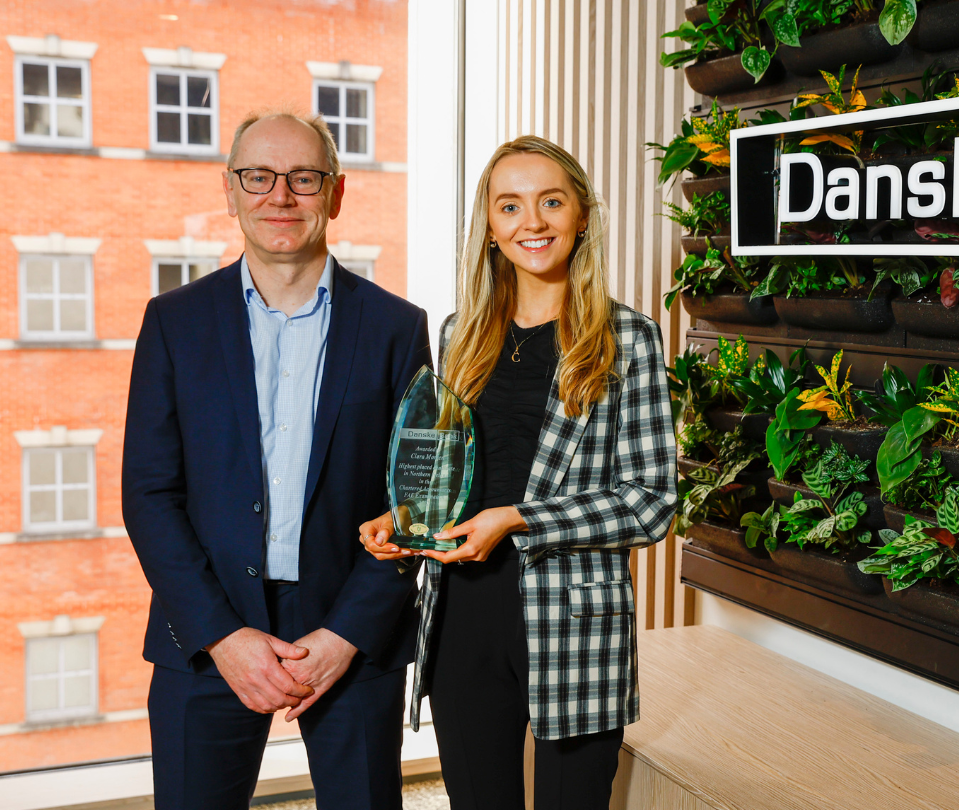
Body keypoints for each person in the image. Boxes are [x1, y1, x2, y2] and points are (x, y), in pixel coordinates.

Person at [122, 111, 430, 810]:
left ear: (336, 193)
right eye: (257, 177)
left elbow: (415, 503)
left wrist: (347, 633)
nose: (279, 197)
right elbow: (148, 493)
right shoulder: (173, 322)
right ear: (230, 191)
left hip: (349, 627)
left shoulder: (396, 328)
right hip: (206, 628)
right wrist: (224, 638)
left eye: (303, 178)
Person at [359, 135, 677, 810]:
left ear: (582, 215)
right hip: (461, 620)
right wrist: (407, 515)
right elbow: (451, 472)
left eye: (550, 202)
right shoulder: (460, 335)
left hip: (573, 624)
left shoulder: (628, 339)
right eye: (510, 207)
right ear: (491, 228)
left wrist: (520, 518)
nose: (531, 223)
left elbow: (651, 504)